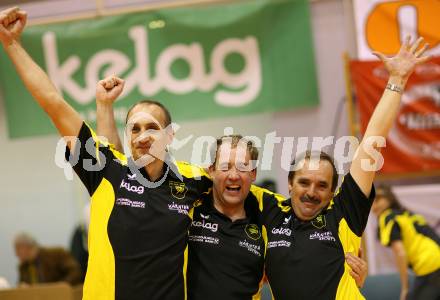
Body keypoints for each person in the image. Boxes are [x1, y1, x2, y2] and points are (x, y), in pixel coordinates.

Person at [0, 7, 212, 300]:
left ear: (170, 135)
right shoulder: (107, 171)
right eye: (134, 129)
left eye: (151, 128)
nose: (142, 136)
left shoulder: (194, 180)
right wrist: (11, 43)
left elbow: (240, 192)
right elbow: (52, 102)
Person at [96, 86, 368, 299]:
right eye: (225, 167)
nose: (233, 175)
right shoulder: (192, 198)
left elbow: (300, 253)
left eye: (242, 168)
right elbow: (120, 167)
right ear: (211, 170)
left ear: (253, 175)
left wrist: (345, 274)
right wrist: (105, 107)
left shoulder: (267, 214)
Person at [260, 36, 430, 299]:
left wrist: (397, 80)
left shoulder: (343, 214)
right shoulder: (269, 212)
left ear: (332, 192)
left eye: (322, 185)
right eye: (304, 182)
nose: (311, 191)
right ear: (290, 183)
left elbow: (373, 139)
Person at [372, 186, 440, 300]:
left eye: (378, 199)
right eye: (371, 201)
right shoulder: (404, 214)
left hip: (430, 265)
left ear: (389, 199)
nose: (374, 205)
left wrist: (405, 288)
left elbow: (400, 253)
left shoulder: (387, 217)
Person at [14, 232, 82, 286]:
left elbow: (75, 272)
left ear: (25, 247)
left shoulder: (57, 254)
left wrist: (61, 285)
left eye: (17, 249)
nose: (16, 254)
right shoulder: (23, 266)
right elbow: (21, 284)